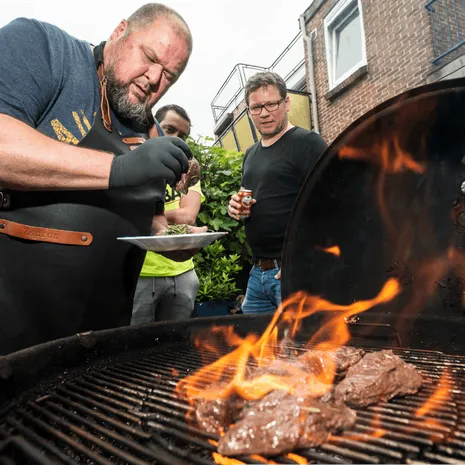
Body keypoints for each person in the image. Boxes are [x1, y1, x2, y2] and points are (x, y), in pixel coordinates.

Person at [0, 3, 197, 355]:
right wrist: (118, 169)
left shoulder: (150, 129)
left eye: (169, 75)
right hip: (14, 326)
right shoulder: (44, 48)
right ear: (119, 31)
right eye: (149, 57)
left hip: (101, 337)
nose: (154, 78)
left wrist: (171, 240)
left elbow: (151, 219)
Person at [228, 72, 327, 314]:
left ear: (287, 103)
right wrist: (236, 207)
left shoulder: (307, 143)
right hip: (257, 274)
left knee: (300, 339)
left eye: (271, 104)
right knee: (254, 338)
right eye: (256, 107)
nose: (264, 113)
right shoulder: (250, 154)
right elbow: (249, 197)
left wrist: (306, 258)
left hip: (294, 271)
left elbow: (333, 204)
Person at [131, 105, 205, 324]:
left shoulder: (187, 172)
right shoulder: (133, 162)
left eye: (183, 136)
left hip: (182, 273)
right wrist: (162, 214)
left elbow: (188, 216)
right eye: (170, 129)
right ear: (154, 127)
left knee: (177, 339)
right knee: (134, 340)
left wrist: (151, 214)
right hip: (141, 273)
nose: (176, 139)